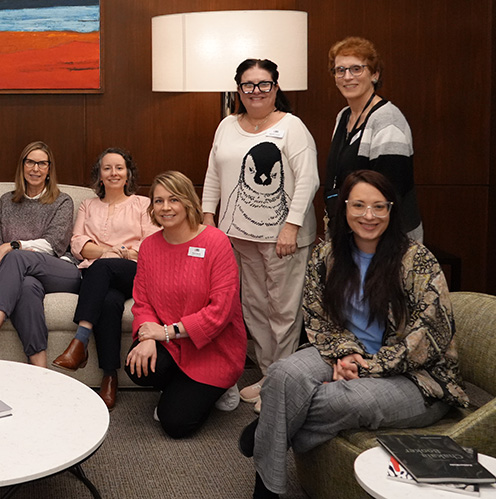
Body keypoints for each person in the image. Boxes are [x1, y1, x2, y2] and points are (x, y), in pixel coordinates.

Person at [240, 170, 467, 499]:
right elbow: (317, 315)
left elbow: (427, 338)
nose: (369, 215)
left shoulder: (416, 260)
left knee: (331, 398)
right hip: (344, 352)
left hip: (418, 380)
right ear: (344, 208)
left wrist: (366, 367)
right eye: (359, 205)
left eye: (379, 206)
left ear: (391, 210)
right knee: (283, 375)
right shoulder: (328, 254)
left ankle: (268, 430)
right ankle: (268, 488)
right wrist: (346, 353)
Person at [201, 59, 319, 411]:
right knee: (253, 308)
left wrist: (292, 226)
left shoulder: (292, 127)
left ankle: (281, 383)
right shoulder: (226, 126)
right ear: (238, 89)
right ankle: (270, 375)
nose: (255, 91)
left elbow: (308, 179)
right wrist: (209, 219)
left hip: (283, 237)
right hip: (237, 236)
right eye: (248, 84)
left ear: (276, 88)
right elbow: (213, 175)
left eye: (263, 84)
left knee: (283, 310)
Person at [125, 171, 247, 438]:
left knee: (176, 425)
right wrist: (147, 336)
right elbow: (142, 300)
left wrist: (166, 332)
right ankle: (179, 386)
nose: (166, 207)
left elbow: (221, 311)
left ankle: (222, 386)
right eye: (158, 201)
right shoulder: (149, 247)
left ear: (189, 202)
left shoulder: (216, 242)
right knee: (137, 366)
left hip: (214, 347)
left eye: (174, 199)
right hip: (171, 343)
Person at [52, 148, 158, 410]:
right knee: (109, 303)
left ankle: (80, 340)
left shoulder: (142, 204)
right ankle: (109, 375)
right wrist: (106, 252)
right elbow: (77, 244)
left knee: (102, 267)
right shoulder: (88, 205)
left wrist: (122, 253)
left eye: (119, 168)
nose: (113, 173)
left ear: (128, 174)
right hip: (99, 275)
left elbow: (152, 243)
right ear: (99, 175)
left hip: (133, 271)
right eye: (107, 168)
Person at [0, 141, 79, 367]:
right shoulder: (7, 201)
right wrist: (10, 250)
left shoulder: (62, 201)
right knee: (26, 288)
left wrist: (12, 246)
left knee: (15, 256)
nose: (35, 169)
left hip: (61, 271)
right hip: (25, 276)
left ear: (49, 169)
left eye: (42, 164)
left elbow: (54, 244)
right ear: (22, 166)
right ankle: (41, 370)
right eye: (30, 162)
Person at [324, 36, 423, 241]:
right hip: (350, 231)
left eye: (356, 69)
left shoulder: (387, 119)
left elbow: (391, 190)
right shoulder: (344, 116)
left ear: (374, 74)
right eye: (340, 70)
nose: (347, 76)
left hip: (385, 237)